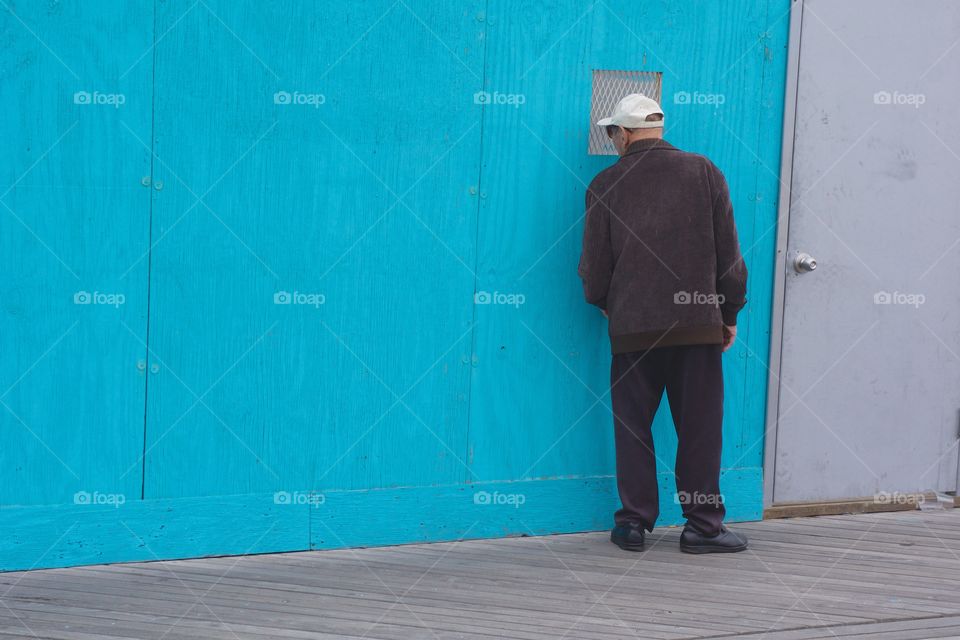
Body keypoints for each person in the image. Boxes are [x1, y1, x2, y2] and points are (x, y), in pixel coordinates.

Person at [578, 93, 749, 554]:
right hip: (697, 327)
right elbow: (729, 256)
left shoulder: (604, 184)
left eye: (613, 133)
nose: (613, 142)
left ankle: (633, 524)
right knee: (699, 428)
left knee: (633, 426)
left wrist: (607, 303)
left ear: (626, 133)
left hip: (633, 330)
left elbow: (594, 270)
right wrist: (728, 313)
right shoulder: (704, 172)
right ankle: (703, 528)